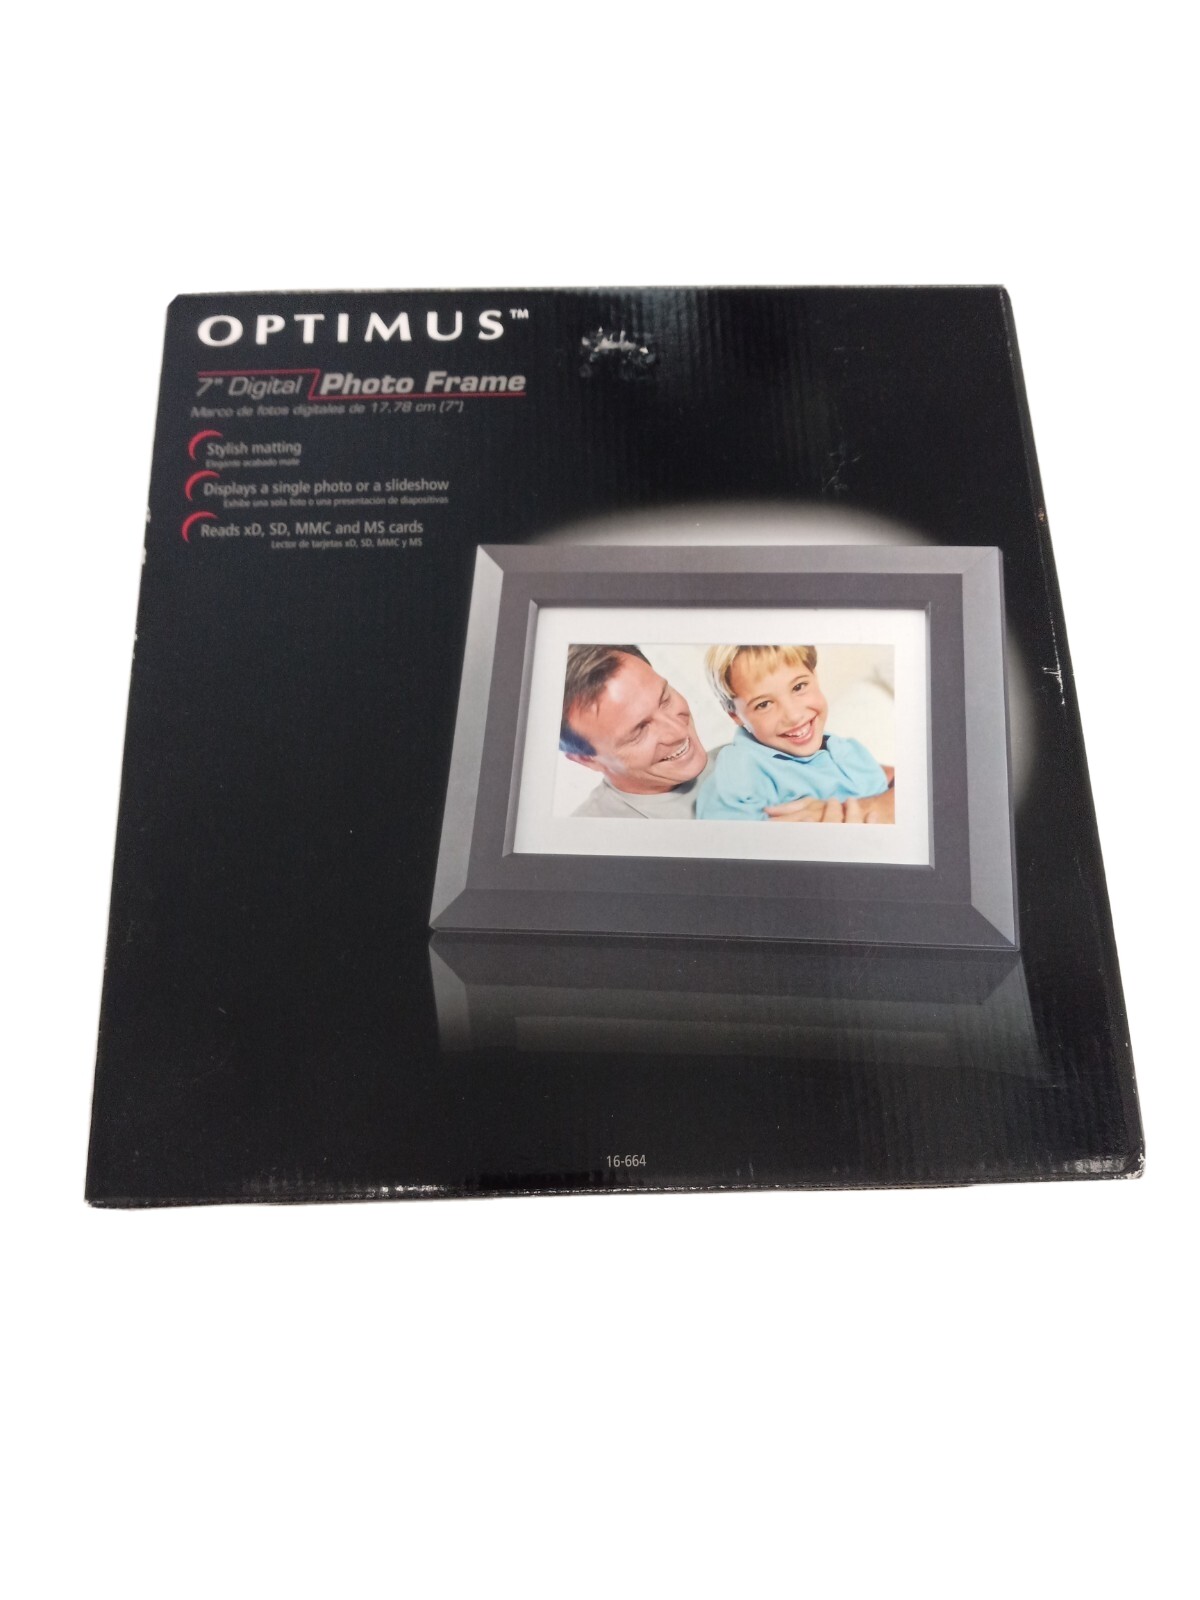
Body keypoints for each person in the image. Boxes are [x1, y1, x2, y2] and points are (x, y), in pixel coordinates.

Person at [696, 644, 895, 823]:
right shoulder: (739, 771)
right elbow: (727, 841)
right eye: (764, 704)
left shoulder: (848, 749)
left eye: (799, 687)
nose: (793, 715)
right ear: (735, 715)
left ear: (815, 676)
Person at [560, 645, 712, 817]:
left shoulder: (730, 756)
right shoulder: (587, 832)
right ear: (587, 760)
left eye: (665, 700)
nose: (679, 732)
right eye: (640, 731)